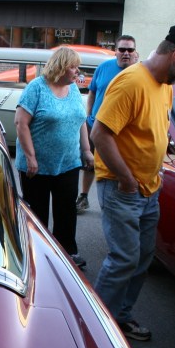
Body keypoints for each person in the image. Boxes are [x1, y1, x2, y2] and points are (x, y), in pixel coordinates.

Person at [90, 24, 175, 341]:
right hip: (122, 188)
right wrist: (127, 179)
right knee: (124, 259)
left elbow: (156, 126)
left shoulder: (165, 85)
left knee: (143, 257)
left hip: (149, 188)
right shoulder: (130, 82)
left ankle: (121, 316)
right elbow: (99, 135)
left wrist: (164, 153)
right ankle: (97, 328)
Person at [14, 46, 94, 269]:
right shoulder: (36, 88)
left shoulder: (73, 90)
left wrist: (86, 151)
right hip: (37, 166)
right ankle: (36, 255)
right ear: (60, 67)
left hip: (68, 162)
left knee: (66, 210)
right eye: (73, 67)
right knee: (37, 212)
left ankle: (67, 253)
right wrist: (30, 157)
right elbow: (21, 123)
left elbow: (80, 122)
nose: (77, 72)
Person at [77, 35, 138, 214]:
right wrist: (89, 115)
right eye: (122, 49)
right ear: (116, 51)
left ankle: (116, 203)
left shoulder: (138, 72)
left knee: (116, 164)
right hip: (96, 124)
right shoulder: (104, 67)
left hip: (122, 129)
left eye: (130, 50)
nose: (126, 53)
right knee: (90, 163)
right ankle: (83, 196)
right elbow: (93, 92)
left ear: (135, 52)